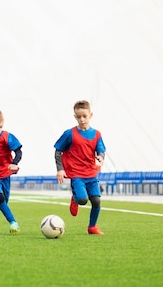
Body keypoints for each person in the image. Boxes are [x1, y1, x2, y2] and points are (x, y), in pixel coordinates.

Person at [54, 100, 106, 235]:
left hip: (91, 173)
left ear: (91, 115)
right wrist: (60, 169)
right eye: (78, 117)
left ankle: (92, 227)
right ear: (75, 117)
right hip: (76, 174)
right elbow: (58, 151)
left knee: (96, 200)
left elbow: (101, 150)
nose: (82, 119)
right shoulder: (69, 134)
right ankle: (75, 198)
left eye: (84, 116)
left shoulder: (97, 134)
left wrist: (100, 156)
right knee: (83, 200)